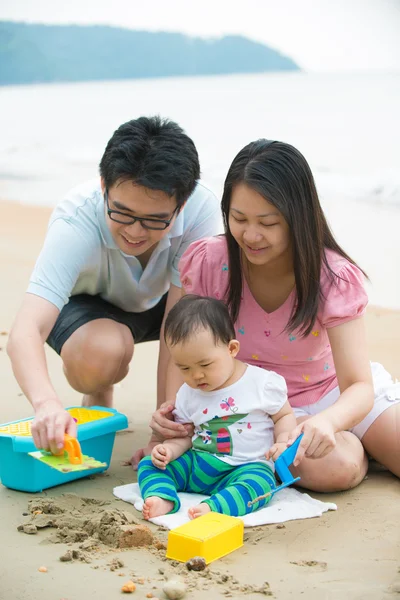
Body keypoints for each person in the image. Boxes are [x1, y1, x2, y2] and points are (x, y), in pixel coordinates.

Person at [148, 139, 400, 492]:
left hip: (333, 395)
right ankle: (353, 450)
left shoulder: (332, 277)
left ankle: (349, 435)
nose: (251, 235)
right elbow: (183, 347)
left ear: (298, 217)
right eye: (239, 219)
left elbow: (358, 385)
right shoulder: (211, 262)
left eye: (268, 222)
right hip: (254, 405)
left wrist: (328, 422)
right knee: (335, 470)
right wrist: (172, 417)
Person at [7, 116, 220, 456]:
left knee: (209, 325)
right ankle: (98, 390)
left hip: (162, 301)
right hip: (88, 306)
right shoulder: (76, 217)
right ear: (104, 185)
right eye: (122, 213)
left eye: (154, 220)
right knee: (102, 354)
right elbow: (25, 330)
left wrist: (166, 427)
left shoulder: (200, 211)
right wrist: (46, 404)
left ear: (181, 205)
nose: (135, 232)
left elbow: (178, 329)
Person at [138, 294, 297, 520]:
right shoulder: (187, 393)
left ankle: (214, 507)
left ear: (231, 349)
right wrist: (168, 451)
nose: (196, 375)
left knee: (261, 484)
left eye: (205, 364)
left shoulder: (261, 383)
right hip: (200, 465)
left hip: (246, 466)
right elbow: (186, 434)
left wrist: (282, 443)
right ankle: (162, 497)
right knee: (149, 465)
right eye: (184, 368)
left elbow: (284, 416)